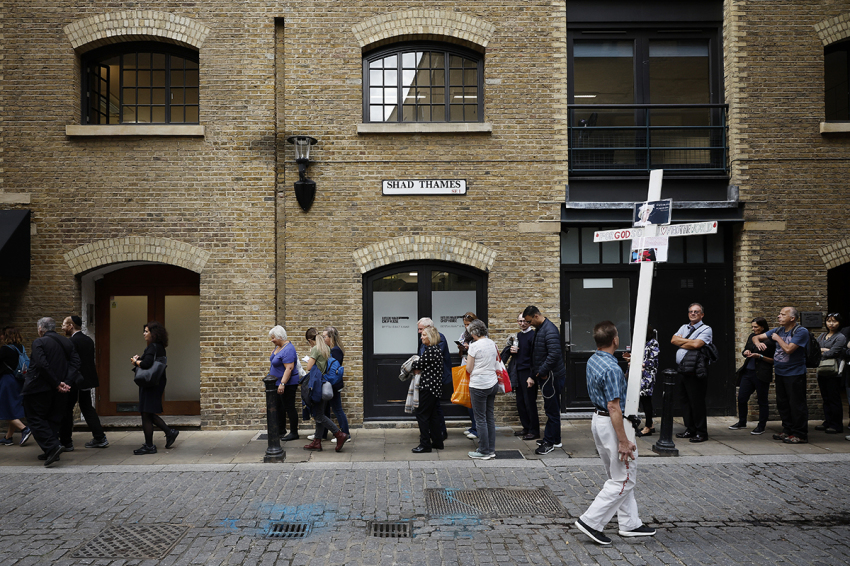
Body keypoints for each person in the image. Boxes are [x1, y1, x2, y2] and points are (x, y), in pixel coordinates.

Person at [575, 321, 656, 546]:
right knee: (624, 478)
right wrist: (623, 440)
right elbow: (614, 406)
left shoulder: (595, 360)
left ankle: (630, 523)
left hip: (599, 421)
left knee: (617, 475)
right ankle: (591, 521)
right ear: (615, 340)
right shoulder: (611, 368)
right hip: (612, 423)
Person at [22, 317, 75, 466]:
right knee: (53, 418)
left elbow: (41, 364)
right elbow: (75, 363)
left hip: (39, 388)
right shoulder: (67, 342)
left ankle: (52, 447)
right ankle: (50, 450)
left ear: (40, 329)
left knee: (34, 418)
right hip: (61, 389)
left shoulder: (39, 342)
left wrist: (57, 383)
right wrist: (66, 383)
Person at [752, 307, 809, 444]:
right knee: (783, 403)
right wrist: (758, 343)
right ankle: (788, 430)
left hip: (795, 373)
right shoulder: (778, 330)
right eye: (779, 314)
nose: (779, 316)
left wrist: (777, 339)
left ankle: (800, 434)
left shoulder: (801, 331)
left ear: (792, 318)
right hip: (780, 372)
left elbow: (789, 349)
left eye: (783, 315)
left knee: (796, 404)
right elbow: (755, 336)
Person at [523, 306, 567, 455]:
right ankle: (556, 439)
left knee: (551, 410)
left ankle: (549, 442)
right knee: (552, 408)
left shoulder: (549, 330)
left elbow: (554, 354)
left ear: (536, 316)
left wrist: (541, 372)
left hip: (551, 377)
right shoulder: (541, 329)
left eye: (529, 321)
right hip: (548, 376)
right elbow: (536, 354)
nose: (528, 324)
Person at [59, 316, 108, 450]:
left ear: (71, 326)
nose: (62, 328)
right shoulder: (88, 340)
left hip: (74, 381)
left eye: (64, 325)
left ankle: (66, 441)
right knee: (87, 407)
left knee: (67, 409)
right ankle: (99, 437)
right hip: (86, 380)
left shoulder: (71, 342)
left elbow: (71, 363)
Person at [130, 321, 179, 454]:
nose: (144, 334)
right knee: (148, 412)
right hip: (156, 382)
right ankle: (169, 432)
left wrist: (136, 361)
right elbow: (150, 362)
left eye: (146, 331)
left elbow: (146, 364)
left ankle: (150, 445)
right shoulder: (160, 347)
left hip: (150, 383)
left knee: (146, 413)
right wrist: (140, 359)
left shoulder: (152, 347)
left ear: (154, 334)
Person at [671, 303, 713, 443]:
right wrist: (690, 341)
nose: (693, 313)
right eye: (691, 311)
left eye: (696, 312)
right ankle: (690, 428)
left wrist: (682, 341)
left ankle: (701, 432)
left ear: (702, 315)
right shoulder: (684, 327)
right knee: (685, 401)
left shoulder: (706, 329)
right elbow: (673, 340)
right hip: (682, 369)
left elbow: (696, 345)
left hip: (696, 371)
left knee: (697, 402)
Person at [302, 328, 347, 452]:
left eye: (308, 342)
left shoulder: (316, 349)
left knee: (319, 415)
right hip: (322, 382)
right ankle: (317, 441)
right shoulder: (326, 348)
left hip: (318, 384)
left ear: (311, 340)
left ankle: (339, 434)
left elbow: (309, 367)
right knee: (319, 412)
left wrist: (311, 354)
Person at [729, 317, 775, 435]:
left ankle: (761, 425)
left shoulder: (771, 340)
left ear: (763, 327)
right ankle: (742, 422)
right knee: (742, 398)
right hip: (748, 372)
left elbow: (774, 360)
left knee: (762, 400)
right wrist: (746, 353)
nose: (753, 329)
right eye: (752, 327)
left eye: (756, 327)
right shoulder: (751, 337)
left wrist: (760, 357)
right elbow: (746, 349)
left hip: (761, 373)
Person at [501, 313, 538, 440]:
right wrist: (511, 351)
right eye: (520, 321)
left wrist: (532, 376)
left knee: (529, 402)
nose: (522, 323)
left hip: (528, 372)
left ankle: (534, 430)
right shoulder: (517, 336)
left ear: (529, 321)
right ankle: (526, 427)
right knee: (520, 402)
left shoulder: (533, 335)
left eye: (524, 321)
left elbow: (535, 357)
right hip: (518, 371)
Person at [465, 319, 498, 460]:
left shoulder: (474, 346)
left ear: (474, 332)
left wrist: (468, 361)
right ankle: (491, 449)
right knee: (489, 417)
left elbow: (469, 368)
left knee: (480, 419)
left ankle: (483, 450)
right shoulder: (492, 343)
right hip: (492, 382)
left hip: (479, 384)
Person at [410, 326, 445, 453]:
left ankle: (425, 444)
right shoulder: (436, 350)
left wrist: (415, 363)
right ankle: (437, 442)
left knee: (422, 415)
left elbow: (416, 364)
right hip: (435, 388)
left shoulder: (430, 351)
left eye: (424, 335)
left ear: (430, 337)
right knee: (433, 415)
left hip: (428, 387)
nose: (421, 337)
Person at [416, 317, 451, 440]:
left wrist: (417, 364)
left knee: (434, 407)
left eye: (421, 329)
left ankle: (440, 432)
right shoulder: (424, 339)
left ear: (428, 328)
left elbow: (427, 359)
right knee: (433, 408)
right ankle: (436, 434)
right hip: (427, 378)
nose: (419, 332)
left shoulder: (437, 339)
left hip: (434, 379)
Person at [814, 313, 846, 434]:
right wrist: (823, 350)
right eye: (828, 321)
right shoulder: (822, 336)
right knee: (826, 398)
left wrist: (822, 351)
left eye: (834, 321)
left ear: (839, 323)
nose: (831, 324)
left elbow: (833, 353)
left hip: (834, 371)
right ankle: (827, 421)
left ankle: (836, 424)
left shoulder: (840, 337)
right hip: (822, 370)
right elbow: (814, 350)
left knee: (834, 398)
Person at [625, 325, 659, 437]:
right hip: (640, 374)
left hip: (647, 376)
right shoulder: (641, 343)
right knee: (644, 401)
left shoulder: (653, 343)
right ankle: (650, 424)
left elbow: (652, 360)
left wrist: (638, 364)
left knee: (646, 400)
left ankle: (648, 427)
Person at [1, 327, 32, 446]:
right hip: (18, 380)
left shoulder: (5, 349)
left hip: (7, 381)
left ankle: (24, 429)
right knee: (12, 407)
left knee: (4, 408)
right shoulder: (21, 347)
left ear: (6, 336)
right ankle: (8, 437)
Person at [268, 325, 299, 442]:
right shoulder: (279, 347)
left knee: (289, 407)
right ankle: (281, 430)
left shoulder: (289, 349)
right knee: (279, 407)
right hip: (276, 382)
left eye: (273, 338)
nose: (272, 340)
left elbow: (289, 368)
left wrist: (283, 384)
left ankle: (294, 432)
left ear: (280, 337)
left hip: (288, 384)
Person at [321, 326, 350, 445]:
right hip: (331, 384)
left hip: (334, 384)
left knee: (337, 409)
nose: (323, 339)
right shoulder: (332, 349)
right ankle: (322, 434)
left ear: (331, 337)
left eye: (324, 337)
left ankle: (346, 434)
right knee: (325, 409)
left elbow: (333, 369)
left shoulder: (336, 350)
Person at [456, 313, 479, 440]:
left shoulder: (479, 336)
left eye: (468, 324)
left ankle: (476, 429)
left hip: (474, 369)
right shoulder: (464, 335)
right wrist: (461, 347)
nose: (466, 327)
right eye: (464, 324)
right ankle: (473, 426)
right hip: (465, 366)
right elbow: (461, 354)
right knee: (467, 399)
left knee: (474, 401)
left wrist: (469, 347)